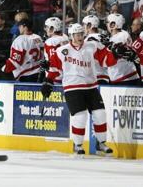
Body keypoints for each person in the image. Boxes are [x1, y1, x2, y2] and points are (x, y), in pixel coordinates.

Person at [41, 23, 116, 155]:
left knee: (100, 114)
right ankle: (78, 144)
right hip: (72, 88)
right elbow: (53, 68)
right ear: (71, 36)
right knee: (80, 117)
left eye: (82, 34)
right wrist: (48, 81)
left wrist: (115, 53)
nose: (80, 36)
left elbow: (108, 61)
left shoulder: (92, 46)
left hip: (91, 86)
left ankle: (101, 143)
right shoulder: (62, 51)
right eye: (77, 34)